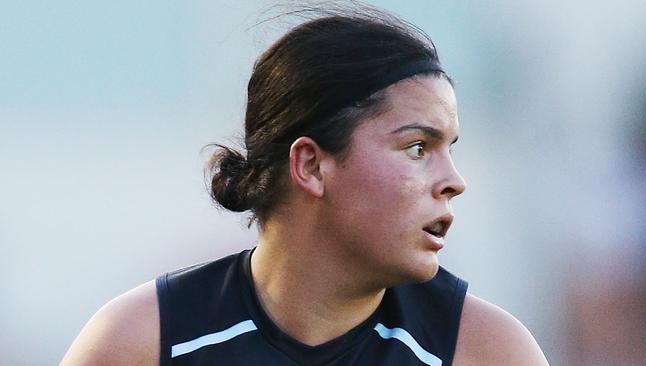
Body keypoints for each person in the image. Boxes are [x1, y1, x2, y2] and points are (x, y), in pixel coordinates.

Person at [61, 5, 549, 366]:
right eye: (418, 148)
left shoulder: (484, 351)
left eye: (450, 149)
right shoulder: (143, 343)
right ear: (311, 165)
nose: (454, 182)